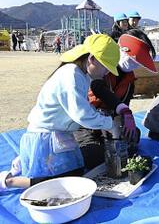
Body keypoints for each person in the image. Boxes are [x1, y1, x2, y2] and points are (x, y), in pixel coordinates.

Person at [0, 34, 121, 191]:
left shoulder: (81, 75)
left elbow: (83, 107)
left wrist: (104, 119)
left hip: (59, 133)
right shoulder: (72, 74)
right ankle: (8, 181)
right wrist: (110, 124)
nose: (106, 72)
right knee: (58, 183)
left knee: (76, 172)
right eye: (105, 66)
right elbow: (81, 114)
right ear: (91, 59)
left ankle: (25, 161)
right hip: (45, 136)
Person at [75, 29, 157, 169]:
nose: (134, 64)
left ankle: (108, 144)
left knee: (133, 138)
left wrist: (125, 121)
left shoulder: (129, 80)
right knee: (93, 156)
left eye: (138, 62)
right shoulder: (101, 66)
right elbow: (98, 87)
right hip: (86, 123)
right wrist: (123, 110)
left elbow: (123, 107)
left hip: (109, 124)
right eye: (132, 59)